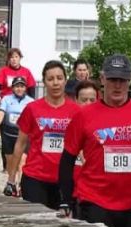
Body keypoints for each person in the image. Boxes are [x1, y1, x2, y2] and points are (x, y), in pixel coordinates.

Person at [56, 54, 131, 227]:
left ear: (130, 80)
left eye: (122, 80)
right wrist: (66, 200)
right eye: (112, 79)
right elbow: (67, 159)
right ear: (102, 79)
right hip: (94, 201)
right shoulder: (84, 115)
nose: (117, 85)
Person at [5, 60, 80, 210]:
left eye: (59, 78)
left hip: (66, 179)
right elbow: (20, 144)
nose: (55, 83)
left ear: (65, 80)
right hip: (35, 178)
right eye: (50, 79)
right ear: (44, 82)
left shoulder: (77, 111)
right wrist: (11, 178)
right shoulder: (32, 109)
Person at [0, 76, 35, 195]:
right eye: (17, 86)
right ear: (12, 88)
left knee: (22, 161)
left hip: (23, 135)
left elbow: (34, 118)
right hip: (8, 133)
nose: (19, 89)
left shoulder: (30, 101)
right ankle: (10, 182)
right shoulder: (6, 99)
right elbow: (2, 112)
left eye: (22, 86)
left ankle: (21, 185)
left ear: (25, 88)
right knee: (11, 162)